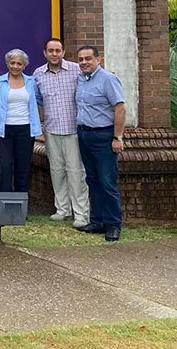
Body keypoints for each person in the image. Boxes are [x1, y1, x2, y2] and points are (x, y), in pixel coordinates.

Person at [0, 48, 42, 244]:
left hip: (25, 129)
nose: (15, 66)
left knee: (23, 168)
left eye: (19, 64)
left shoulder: (32, 82)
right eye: (12, 63)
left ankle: (20, 210)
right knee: (6, 168)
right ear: (7, 64)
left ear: (24, 65)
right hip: (4, 130)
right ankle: (5, 210)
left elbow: (38, 102)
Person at [33, 38, 90, 228]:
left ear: (63, 52)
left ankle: (81, 213)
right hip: (51, 130)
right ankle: (62, 209)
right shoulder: (39, 74)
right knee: (57, 171)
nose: (54, 54)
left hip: (73, 130)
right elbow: (39, 99)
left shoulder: (76, 70)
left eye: (58, 50)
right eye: (51, 51)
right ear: (45, 53)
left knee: (76, 173)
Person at [74, 45, 125, 242]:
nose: (84, 62)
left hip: (104, 136)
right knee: (92, 180)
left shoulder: (108, 79)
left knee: (107, 182)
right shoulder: (81, 79)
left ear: (98, 59)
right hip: (84, 134)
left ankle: (113, 224)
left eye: (88, 59)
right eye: (81, 59)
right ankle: (97, 221)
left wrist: (117, 137)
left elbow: (120, 108)